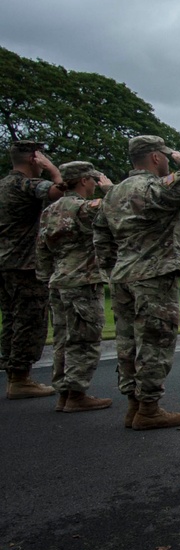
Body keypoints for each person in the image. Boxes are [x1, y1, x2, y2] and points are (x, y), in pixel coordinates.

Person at [93, 135, 180, 429]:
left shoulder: (113, 194)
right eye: (164, 155)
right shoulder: (155, 187)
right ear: (156, 157)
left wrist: (112, 268)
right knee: (155, 342)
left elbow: (101, 236)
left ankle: (133, 405)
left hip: (122, 276)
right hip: (154, 275)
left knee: (127, 343)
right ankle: (149, 408)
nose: (167, 160)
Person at [35, 161, 115, 412]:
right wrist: (109, 189)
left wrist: (46, 275)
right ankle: (77, 394)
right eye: (93, 179)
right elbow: (121, 206)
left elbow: (42, 248)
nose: (95, 184)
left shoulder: (50, 210)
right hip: (83, 280)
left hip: (58, 281)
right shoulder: (84, 208)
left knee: (62, 339)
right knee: (84, 339)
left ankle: (64, 393)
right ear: (83, 180)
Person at [1, 140, 63, 399]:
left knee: (12, 319)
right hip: (24, 264)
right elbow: (59, 191)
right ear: (33, 159)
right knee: (30, 320)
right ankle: (20, 379)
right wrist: (53, 170)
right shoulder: (25, 184)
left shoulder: (3, 184)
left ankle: (14, 374)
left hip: (4, 262)